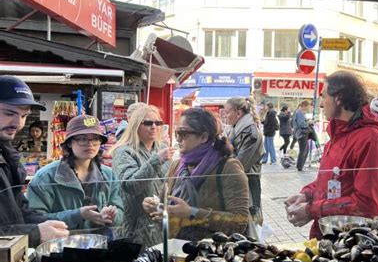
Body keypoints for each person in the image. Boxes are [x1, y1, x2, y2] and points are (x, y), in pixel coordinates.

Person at [284, 71, 378, 239]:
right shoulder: (338, 134)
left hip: (351, 241)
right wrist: (306, 194)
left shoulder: (372, 141)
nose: (321, 104)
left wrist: (311, 209)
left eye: (323, 96)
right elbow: (333, 180)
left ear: (338, 98)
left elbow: (367, 205)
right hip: (327, 235)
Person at [143, 108, 249, 241]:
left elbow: (240, 222)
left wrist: (192, 213)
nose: (178, 139)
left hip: (212, 254)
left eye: (183, 134)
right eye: (177, 133)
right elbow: (166, 207)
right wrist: (154, 207)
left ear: (204, 137)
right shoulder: (177, 165)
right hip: (176, 249)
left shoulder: (228, 167)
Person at [0, 75, 69, 247]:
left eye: (24, 116)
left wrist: (53, 223)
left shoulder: (7, 157)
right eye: (9, 113)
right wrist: (34, 234)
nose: (18, 123)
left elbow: (20, 212)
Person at [27, 115, 124, 231]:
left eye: (95, 139)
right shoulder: (46, 177)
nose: (90, 144)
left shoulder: (108, 175)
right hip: (60, 245)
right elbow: (34, 219)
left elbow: (120, 213)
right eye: (82, 139)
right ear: (69, 143)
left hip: (100, 244)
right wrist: (77, 215)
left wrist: (111, 216)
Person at [111, 104, 174, 247]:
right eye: (148, 123)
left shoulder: (162, 148)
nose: (154, 127)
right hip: (135, 228)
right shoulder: (124, 151)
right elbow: (130, 186)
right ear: (136, 125)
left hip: (160, 223)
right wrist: (155, 161)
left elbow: (169, 182)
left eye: (157, 123)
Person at [224, 97, 264, 223]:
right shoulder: (234, 129)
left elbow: (239, 165)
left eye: (227, 112)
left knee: (250, 224)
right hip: (237, 182)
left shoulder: (251, 133)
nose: (226, 116)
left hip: (249, 184)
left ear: (239, 113)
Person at [293, 100, 311, 171]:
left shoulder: (298, 112)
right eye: (307, 107)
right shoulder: (299, 112)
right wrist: (308, 122)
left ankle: (300, 166)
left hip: (300, 133)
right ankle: (300, 166)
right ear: (303, 106)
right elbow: (301, 124)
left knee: (305, 150)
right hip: (302, 133)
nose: (307, 108)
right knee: (303, 150)